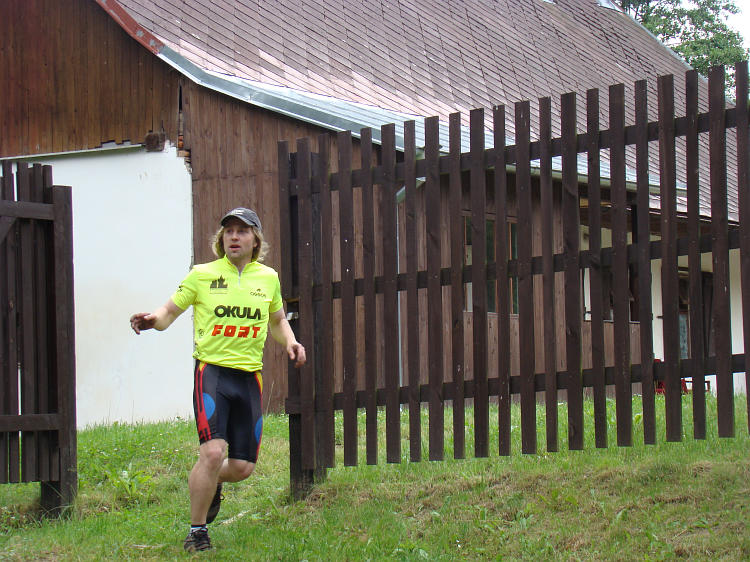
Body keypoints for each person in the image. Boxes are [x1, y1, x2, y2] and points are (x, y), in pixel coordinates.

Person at [130, 207, 306, 552]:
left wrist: (291, 342)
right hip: (212, 373)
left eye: (242, 231)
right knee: (212, 453)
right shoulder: (202, 275)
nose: (234, 237)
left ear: (256, 240)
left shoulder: (268, 278)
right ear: (221, 238)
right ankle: (197, 532)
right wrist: (153, 320)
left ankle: (209, 481)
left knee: (242, 468)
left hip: (249, 378)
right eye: (229, 231)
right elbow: (169, 311)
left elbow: (277, 321)